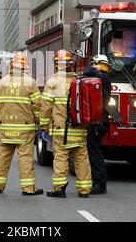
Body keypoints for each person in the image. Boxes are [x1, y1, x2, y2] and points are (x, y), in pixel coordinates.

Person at [0, 52, 44, 195]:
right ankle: (28, 188)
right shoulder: (30, 82)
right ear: (24, 66)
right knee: (25, 157)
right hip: (24, 127)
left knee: (3, 156)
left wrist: (1, 121)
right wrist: (41, 122)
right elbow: (37, 106)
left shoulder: (2, 82)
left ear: (12, 65)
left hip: (6, 127)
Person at [41, 50, 92, 198]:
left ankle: (59, 189)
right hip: (80, 129)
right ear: (71, 65)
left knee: (61, 157)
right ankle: (84, 190)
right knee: (82, 159)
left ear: (56, 65)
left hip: (61, 130)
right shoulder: (80, 82)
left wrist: (43, 125)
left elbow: (46, 107)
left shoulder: (52, 83)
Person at [83, 54, 112, 195]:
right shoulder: (103, 78)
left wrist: (93, 68)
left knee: (95, 153)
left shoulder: (102, 78)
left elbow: (86, 71)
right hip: (99, 120)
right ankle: (97, 181)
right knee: (93, 151)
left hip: (98, 122)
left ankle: (100, 184)